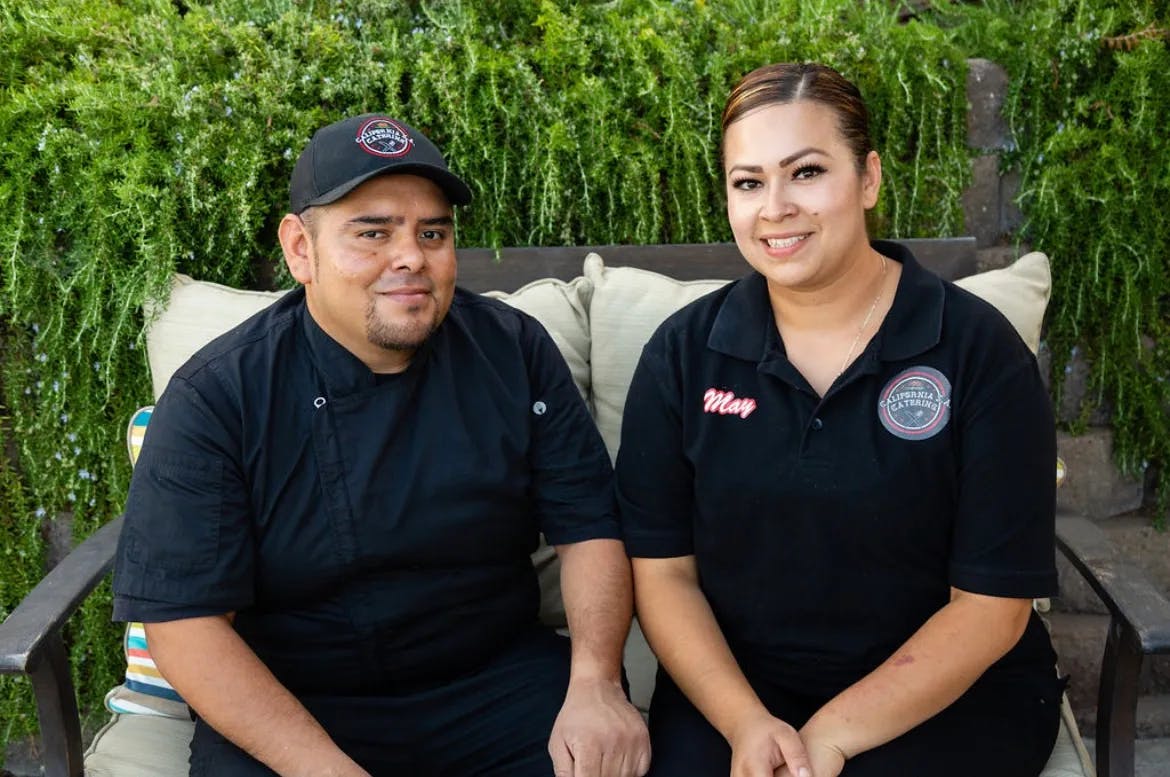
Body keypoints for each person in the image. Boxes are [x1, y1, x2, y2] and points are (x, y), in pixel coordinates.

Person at [112, 114, 650, 777]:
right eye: (372, 232)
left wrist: (596, 681)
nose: (411, 257)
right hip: (295, 701)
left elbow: (590, 524)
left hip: (493, 680)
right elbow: (184, 622)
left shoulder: (514, 351)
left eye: (433, 232)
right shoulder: (217, 395)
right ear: (299, 249)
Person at [615, 63, 1065, 777]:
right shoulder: (683, 354)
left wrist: (833, 737)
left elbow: (992, 606)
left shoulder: (978, 351)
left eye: (807, 172)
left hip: (949, 699)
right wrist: (745, 721)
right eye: (749, 182)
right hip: (738, 694)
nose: (775, 207)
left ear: (870, 178)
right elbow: (664, 572)